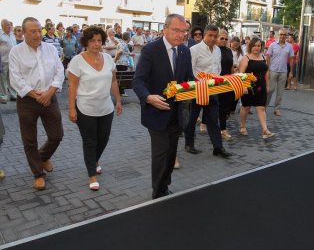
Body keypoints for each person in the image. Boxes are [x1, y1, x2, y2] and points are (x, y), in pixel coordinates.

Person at [133, 14, 195, 199]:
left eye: (184, 31)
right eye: (176, 30)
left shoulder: (184, 51)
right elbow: (138, 81)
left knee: (170, 155)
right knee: (160, 156)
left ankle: (164, 187)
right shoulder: (151, 50)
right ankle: (158, 193)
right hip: (156, 113)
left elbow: (189, 79)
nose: (181, 35)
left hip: (177, 114)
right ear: (165, 29)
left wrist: (208, 85)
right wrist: (148, 97)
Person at [8, 17, 64, 190]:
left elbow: (59, 71)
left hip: (50, 97)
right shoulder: (15, 52)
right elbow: (15, 78)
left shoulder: (50, 49)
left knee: (57, 135)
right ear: (23, 33)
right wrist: (34, 94)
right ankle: (38, 174)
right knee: (29, 140)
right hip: (27, 101)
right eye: (33, 31)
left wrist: (50, 92)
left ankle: (43, 157)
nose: (38, 34)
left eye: (40, 30)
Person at [67, 26, 122, 191]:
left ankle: (95, 160)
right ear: (86, 42)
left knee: (103, 139)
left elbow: (113, 81)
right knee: (90, 142)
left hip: (106, 107)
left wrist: (118, 100)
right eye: (93, 40)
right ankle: (91, 174)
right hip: (85, 108)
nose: (97, 44)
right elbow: (72, 87)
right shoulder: (77, 60)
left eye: (99, 40)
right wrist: (71, 109)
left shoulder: (108, 58)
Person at [184, 24, 232, 158]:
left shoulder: (217, 50)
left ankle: (218, 147)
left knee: (213, 119)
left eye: (215, 36)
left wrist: (218, 82)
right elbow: (190, 70)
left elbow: (217, 70)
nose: (213, 38)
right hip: (198, 89)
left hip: (213, 89)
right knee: (193, 118)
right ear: (205, 34)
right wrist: (196, 84)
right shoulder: (194, 50)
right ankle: (189, 143)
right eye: (210, 35)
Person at [239, 37, 275, 139]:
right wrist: (243, 86)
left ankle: (265, 130)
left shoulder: (263, 57)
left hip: (261, 86)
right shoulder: (246, 58)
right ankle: (242, 126)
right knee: (246, 107)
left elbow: (267, 72)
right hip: (248, 86)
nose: (256, 48)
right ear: (250, 46)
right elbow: (241, 74)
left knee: (261, 107)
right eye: (254, 45)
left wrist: (267, 85)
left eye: (259, 46)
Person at [266, 28, 294, 116]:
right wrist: (268, 69)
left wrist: (291, 72)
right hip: (273, 70)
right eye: (281, 34)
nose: (282, 36)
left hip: (283, 72)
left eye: (284, 35)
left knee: (280, 91)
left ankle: (277, 109)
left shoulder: (289, 46)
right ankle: (264, 106)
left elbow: (292, 59)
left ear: (286, 36)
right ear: (278, 35)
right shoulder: (272, 45)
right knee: (270, 90)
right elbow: (268, 57)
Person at [216, 29, 234, 141]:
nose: (224, 40)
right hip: (215, 82)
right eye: (221, 38)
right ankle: (219, 128)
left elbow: (231, 67)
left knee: (225, 107)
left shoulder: (229, 50)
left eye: (226, 39)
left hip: (227, 82)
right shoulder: (214, 50)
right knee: (213, 107)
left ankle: (222, 128)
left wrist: (233, 79)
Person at [0, 19, 18, 103]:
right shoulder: (0, 34)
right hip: (3, 60)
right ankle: (3, 96)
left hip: (12, 60)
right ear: (2, 25)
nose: (9, 26)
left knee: (11, 78)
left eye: (10, 25)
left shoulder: (12, 34)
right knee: (2, 80)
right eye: (7, 25)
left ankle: (13, 95)